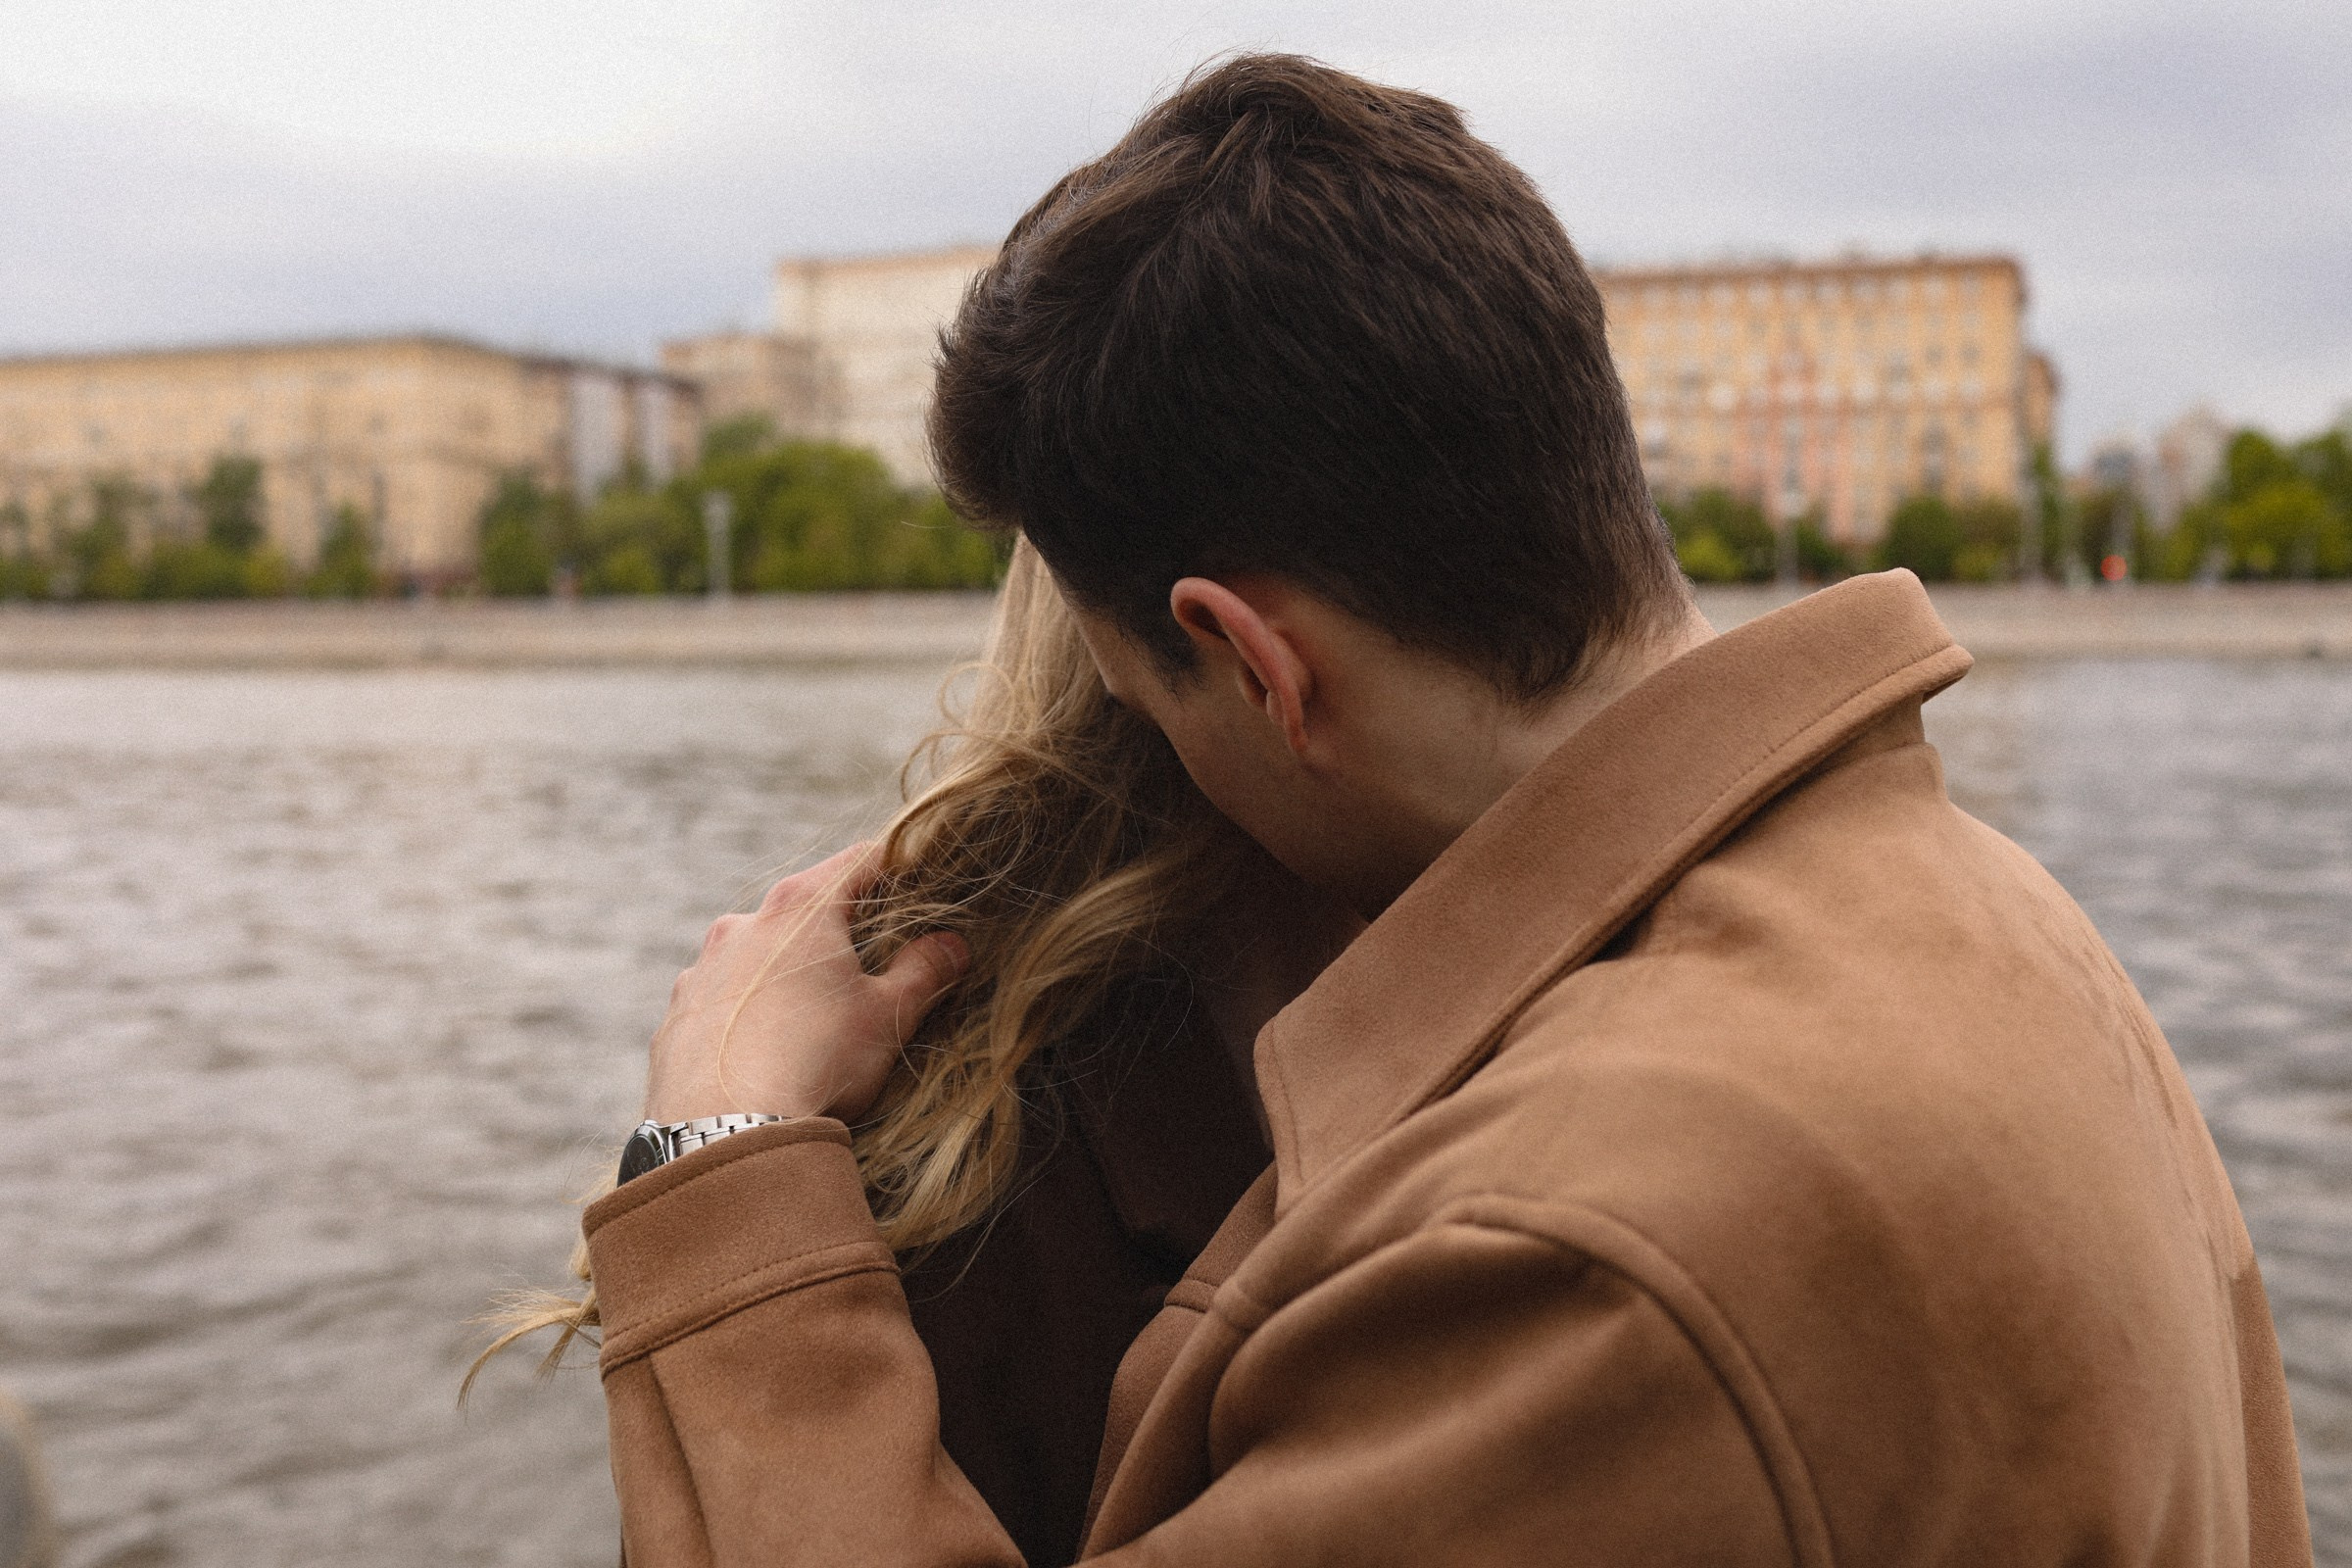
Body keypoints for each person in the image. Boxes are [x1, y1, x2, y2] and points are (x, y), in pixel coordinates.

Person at [581, 53, 2311, 1566]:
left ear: (1254, 667)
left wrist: (722, 1158)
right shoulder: (1986, 907)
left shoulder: (1579, 1252)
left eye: (1139, 703)